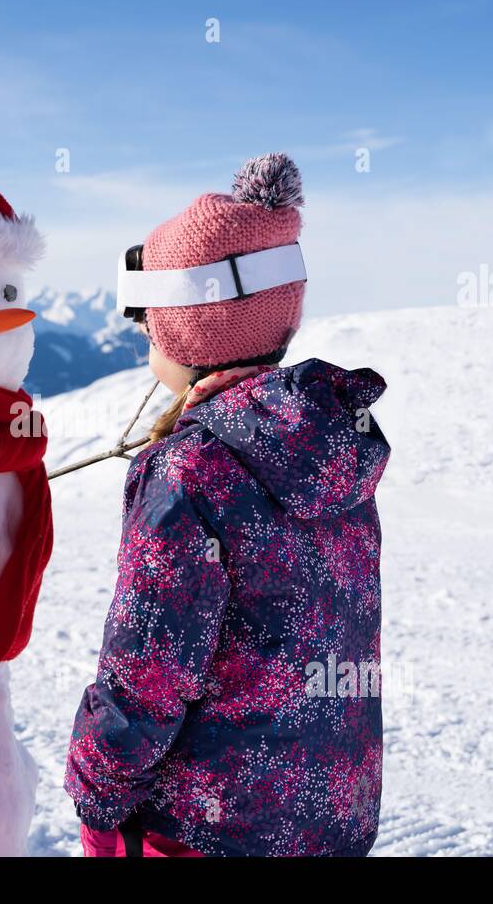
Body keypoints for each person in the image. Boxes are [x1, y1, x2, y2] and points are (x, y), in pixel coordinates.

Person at [65, 153, 391, 857]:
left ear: (185, 326)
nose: (143, 332)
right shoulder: (333, 447)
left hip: (203, 832)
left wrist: (97, 792)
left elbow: (147, 672)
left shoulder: (188, 471)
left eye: (148, 318)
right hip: (331, 821)